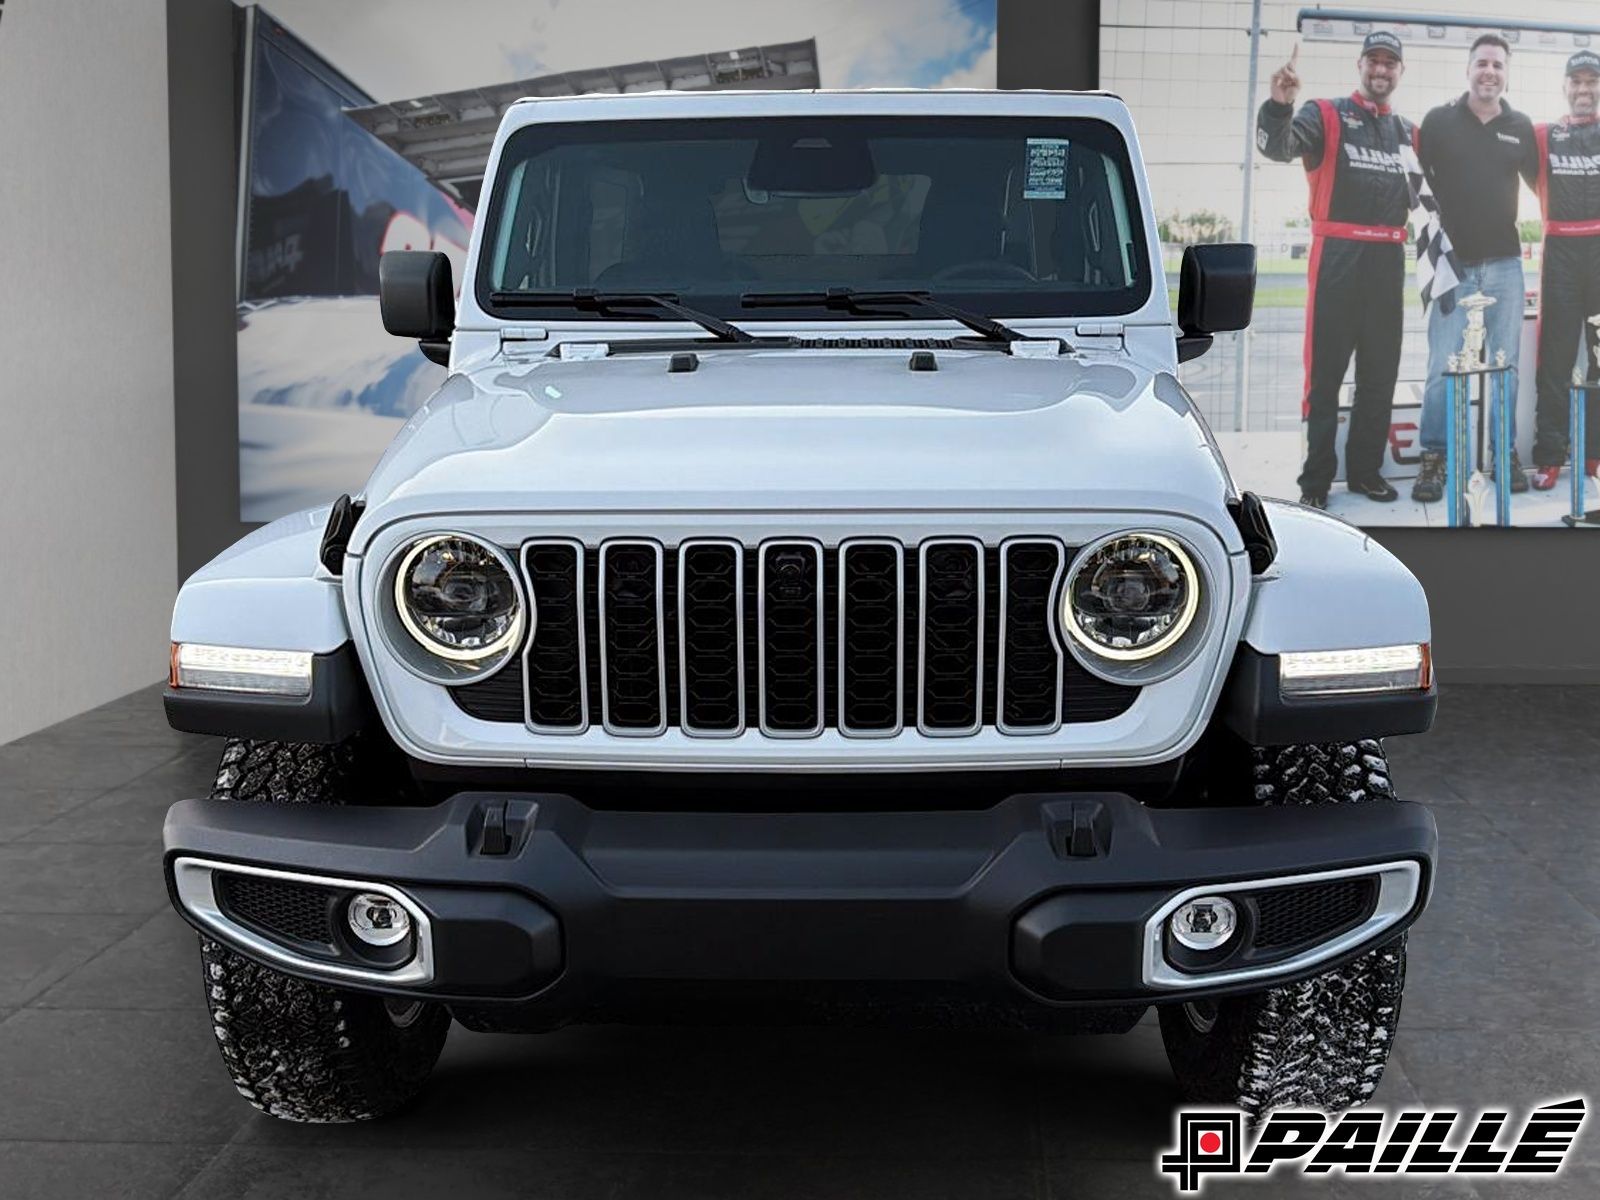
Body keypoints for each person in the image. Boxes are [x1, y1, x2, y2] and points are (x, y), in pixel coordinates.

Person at [1257, 32, 1413, 510]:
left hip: (1389, 261)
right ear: (1359, 65)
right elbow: (1278, 147)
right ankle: (1316, 481)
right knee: (1324, 377)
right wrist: (1279, 106)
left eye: (1390, 63)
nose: (1381, 70)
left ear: (1400, 71)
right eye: (1373, 60)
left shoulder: (1410, 132)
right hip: (1337, 258)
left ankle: (1365, 472)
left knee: (1379, 376)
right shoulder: (1324, 113)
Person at [1412, 34, 1539, 503]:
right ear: (1468, 68)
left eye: (1498, 65)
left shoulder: (1520, 127)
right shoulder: (1439, 121)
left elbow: (1547, 189)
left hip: (1506, 263)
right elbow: (1413, 188)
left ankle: (1503, 453)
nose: (1490, 71)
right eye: (1482, 63)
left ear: (1507, 74)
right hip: (1452, 264)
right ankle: (1435, 455)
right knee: (1442, 367)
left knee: (1505, 366)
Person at [1530, 51, 1600, 491]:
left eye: (1592, 81)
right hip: (1559, 250)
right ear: (1564, 87)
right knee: (1554, 360)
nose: (1584, 89)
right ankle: (1550, 455)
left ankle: (1595, 452)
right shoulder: (1543, 135)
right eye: (1576, 81)